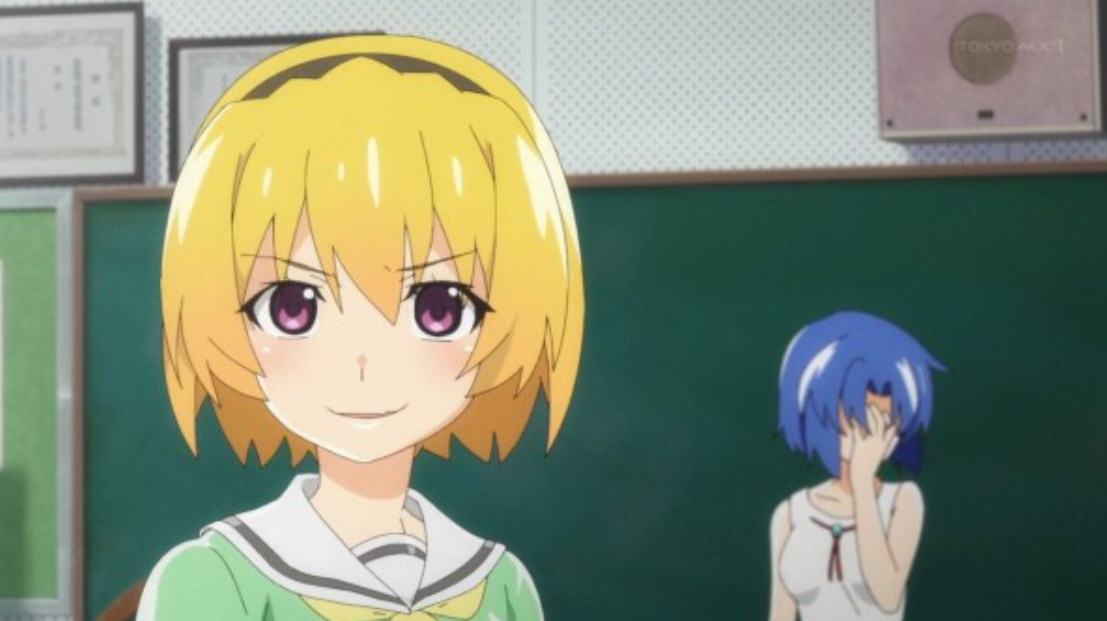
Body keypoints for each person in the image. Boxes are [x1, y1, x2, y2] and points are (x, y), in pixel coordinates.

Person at [138, 35, 584, 621]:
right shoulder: (214, 579)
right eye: (292, 307)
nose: (364, 363)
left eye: (438, 308)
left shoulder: (501, 584)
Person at [768, 311, 943, 621]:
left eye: (885, 420)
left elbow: (887, 596)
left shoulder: (903, 501)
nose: (870, 434)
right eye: (857, 417)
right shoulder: (790, 515)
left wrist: (862, 483)